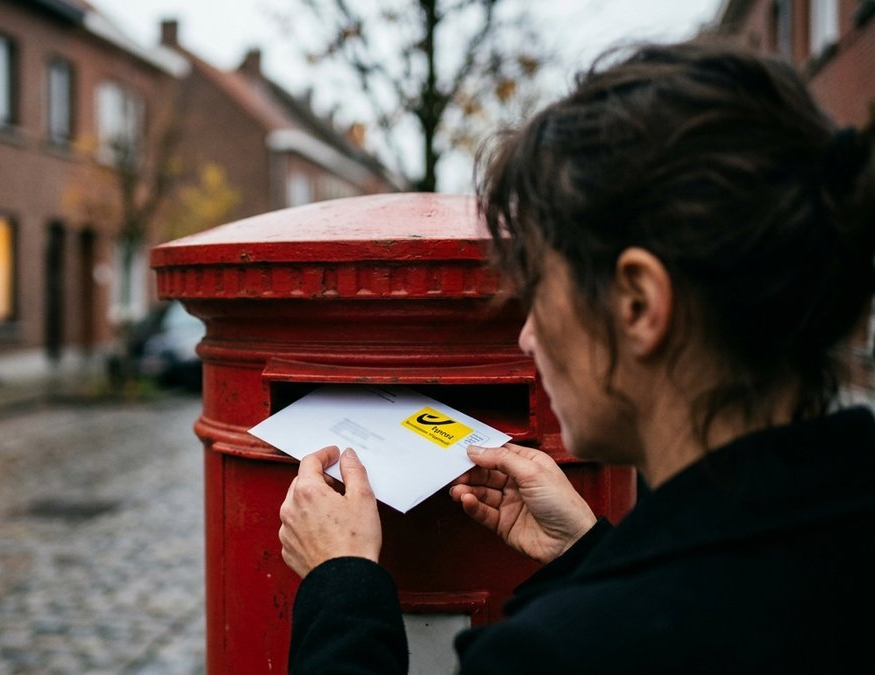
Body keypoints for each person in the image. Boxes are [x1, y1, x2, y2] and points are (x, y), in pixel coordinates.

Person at [278, 37, 875, 674]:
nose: (528, 336)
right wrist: (588, 553)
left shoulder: (556, 655)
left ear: (639, 304)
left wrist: (339, 584)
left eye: (539, 290)